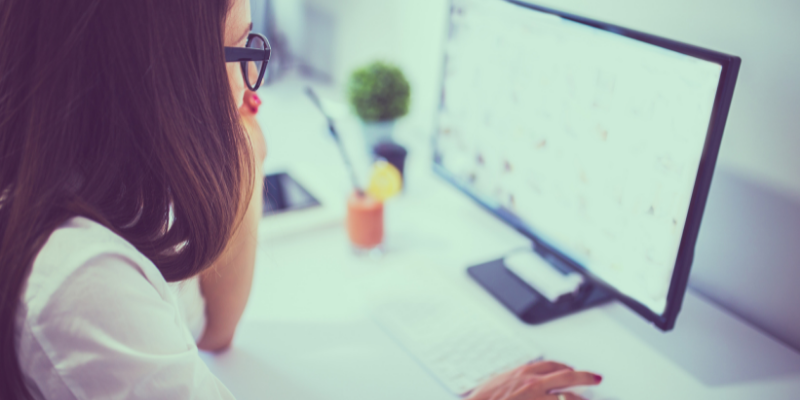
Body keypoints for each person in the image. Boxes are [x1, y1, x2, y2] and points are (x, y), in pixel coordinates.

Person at [0, 0, 601, 399]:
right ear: (159, 74)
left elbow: (214, 327)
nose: (249, 80)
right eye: (241, 52)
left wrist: (243, 160)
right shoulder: (83, 275)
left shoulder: (124, 184)